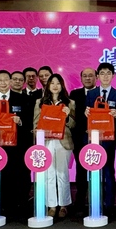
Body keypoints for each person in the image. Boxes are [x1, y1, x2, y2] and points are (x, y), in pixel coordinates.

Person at [0, 70, 33, 219]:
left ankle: (21, 205)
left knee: (20, 174)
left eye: (6, 80)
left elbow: (31, 120)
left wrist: (20, 121)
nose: (3, 83)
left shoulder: (22, 98)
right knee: (1, 175)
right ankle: (2, 206)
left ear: (10, 82)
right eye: (0, 80)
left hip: (18, 145)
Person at [34, 73, 75, 219]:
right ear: (48, 86)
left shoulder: (70, 103)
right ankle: (51, 205)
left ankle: (64, 205)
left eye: (58, 83)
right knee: (48, 174)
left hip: (63, 141)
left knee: (62, 173)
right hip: (46, 141)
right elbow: (35, 123)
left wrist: (68, 116)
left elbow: (74, 125)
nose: (55, 86)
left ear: (62, 85)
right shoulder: (40, 102)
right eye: (52, 83)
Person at [85, 63, 116, 211]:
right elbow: (86, 117)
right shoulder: (91, 94)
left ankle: (109, 205)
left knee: (108, 171)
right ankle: (96, 202)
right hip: (93, 139)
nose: (105, 76)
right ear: (98, 76)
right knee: (94, 170)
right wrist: (86, 113)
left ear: (113, 76)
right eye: (102, 73)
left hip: (109, 140)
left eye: (108, 73)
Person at [70, 67, 97, 212]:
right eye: (85, 76)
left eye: (90, 75)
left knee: (98, 169)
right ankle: (80, 201)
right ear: (81, 78)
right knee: (80, 170)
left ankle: (97, 201)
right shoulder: (74, 94)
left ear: (96, 78)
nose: (87, 78)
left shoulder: (101, 94)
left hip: (98, 138)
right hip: (79, 137)